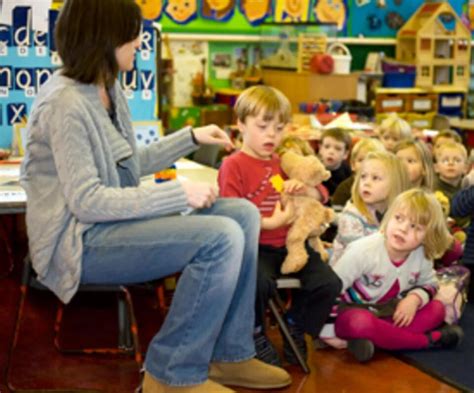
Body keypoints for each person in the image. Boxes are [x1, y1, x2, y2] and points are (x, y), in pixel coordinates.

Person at [19, 1, 291, 392]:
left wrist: (190, 138)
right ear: (104, 37)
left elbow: (130, 163)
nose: (138, 41)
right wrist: (178, 194)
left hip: (112, 228)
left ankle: (229, 354)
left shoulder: (108, 86)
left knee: (243, 215)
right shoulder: (64, 104)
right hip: (78, 243)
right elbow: (88, 201)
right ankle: (171, 374)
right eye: (132, 33)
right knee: (220, 236)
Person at [218, 85, 342, 367]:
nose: (271, 135)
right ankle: (255, 333)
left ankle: (295, 323)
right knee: (257, 283)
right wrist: (268, 222)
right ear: (240, 124)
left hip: (289, 246)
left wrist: (307, 190)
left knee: (329, 283)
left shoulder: (284, 161)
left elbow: (323, 193)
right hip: (254, 247)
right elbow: (230, 215)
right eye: (263, 126)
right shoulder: (233, 165)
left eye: (279, 128)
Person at [333, 189, 463, 363]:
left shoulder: (421, 254)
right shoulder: (362, 251)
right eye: (398, 218)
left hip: (387, 312)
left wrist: (414, 299)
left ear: (428, 236)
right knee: (360, 323)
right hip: (351, 312)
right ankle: (427, 341)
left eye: (415, 227)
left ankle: (377, 339)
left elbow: (431, 284)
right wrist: (328, 333)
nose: (402, 229)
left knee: (437, 310)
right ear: (388, 217)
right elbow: (329, 291)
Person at [330, 151, 410, 266]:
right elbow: (358, 258)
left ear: (395, 184)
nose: (366, 183)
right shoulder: (351, 216)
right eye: (363, 176)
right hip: (350, 277)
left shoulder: (400, 214)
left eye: (375, 178)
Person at [331, 137, 385, 208]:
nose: (366, 164)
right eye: (361, 160)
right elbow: (337, 213)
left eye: (372, 160)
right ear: (353, 164)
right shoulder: (344, 190)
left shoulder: (384, 186)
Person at [433, 141, 470, 230]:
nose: (451, 163)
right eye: (445, 160)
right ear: (436, 168)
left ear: (465, 168)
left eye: (457, 160)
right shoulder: (434, 190)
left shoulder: (467, 186)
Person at [318, 128, 352, 196]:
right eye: (327, 147)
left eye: (338, 149)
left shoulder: (347, 170)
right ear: (320, 149)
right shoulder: (315, 169)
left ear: (345, 154)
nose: (331, 152)